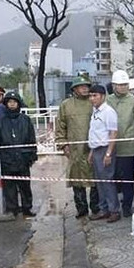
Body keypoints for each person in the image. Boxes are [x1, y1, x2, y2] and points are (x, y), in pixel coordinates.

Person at [55, 76, 100, 218]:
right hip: (74, 149)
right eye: (81, 86)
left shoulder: (95, 102)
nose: (85, 89)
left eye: (87, 86)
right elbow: (60, 126)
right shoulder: (66, 105)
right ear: (74, 89)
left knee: (95, 179)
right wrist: (63, 144)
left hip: (93, 147)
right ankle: (81, 208)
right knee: (77, 180)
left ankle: (96, 207)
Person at [0, 91, 37, 218]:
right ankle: (12, 208)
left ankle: (27, 208)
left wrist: (32, 155)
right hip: (7, 159)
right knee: (9, 187)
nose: (12, 104)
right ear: (6, 104)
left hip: (23, 158)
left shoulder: (25, 120)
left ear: (18, 103)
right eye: (9, 102)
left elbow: (31, 139)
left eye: (14, 102)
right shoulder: (0, 122)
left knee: (25, 186)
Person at [107, 70, 134, 217]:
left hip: (129, 144)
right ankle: (112, 206)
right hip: (111, 146)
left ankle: (127, 205)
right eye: (119, 85)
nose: (122, 87)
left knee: (128, 177)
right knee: (112, 177)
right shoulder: (108, 101)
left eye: (125, 85)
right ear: (114, 85)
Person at [87, 84, 120, 222]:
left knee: (107, 180)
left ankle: (114, 210)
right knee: (99, 182)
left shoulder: (108, 111)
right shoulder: (95, 111)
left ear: (103, 96)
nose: (92, 98)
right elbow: (94, 133)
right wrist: (91, 152)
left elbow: (113, 132)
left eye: (95, 96)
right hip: (96, 149)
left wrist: (108, 153)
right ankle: (103, 209)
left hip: (105, 149)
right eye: (91, 96)